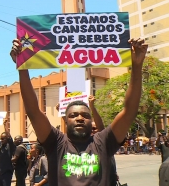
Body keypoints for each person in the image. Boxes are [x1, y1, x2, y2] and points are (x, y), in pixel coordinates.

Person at [10, 38, 148, 185]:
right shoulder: (56, 143)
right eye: (73, 115)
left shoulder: (103, 142)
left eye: (86, 115)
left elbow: (129, 111)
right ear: (65, 119)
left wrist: (137, 65)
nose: (80, 118)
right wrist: (22, 68)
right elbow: (33, 111)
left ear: (91, 121)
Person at [0, 120, 16, 186]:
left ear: (7, 139)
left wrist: (5, 125)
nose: (1, 140)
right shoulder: (0, 145)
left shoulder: (10, 146)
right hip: (0, 172)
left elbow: (9, 137)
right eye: (1, 139)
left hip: (7, 172)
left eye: (3, 139)